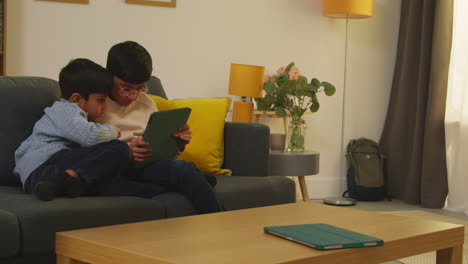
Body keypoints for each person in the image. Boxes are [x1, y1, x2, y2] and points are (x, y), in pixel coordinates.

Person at [96, 41, 222, 214]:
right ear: (110, 75)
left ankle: (191, 179)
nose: (133, 95)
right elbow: (86, 147)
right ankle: (220, 220)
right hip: (117, 168)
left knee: (183, 170)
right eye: (126, 88)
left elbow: (160, 146)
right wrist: (125, 151)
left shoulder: (147, 102)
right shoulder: (96, 103)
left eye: (140, 88)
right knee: (186, 172)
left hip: (148, 165)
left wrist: (177, 143)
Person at [14, 58, 132, 201]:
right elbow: (89, 136)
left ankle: (62, 183)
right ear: (77, 99)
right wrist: (113, 131)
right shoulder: (65, 110)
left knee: (115, 184)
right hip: (44, 166)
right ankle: (68, 178)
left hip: (45, 180)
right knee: (120, 148)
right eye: (100, 100)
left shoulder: (73, 117)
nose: (105, 107)